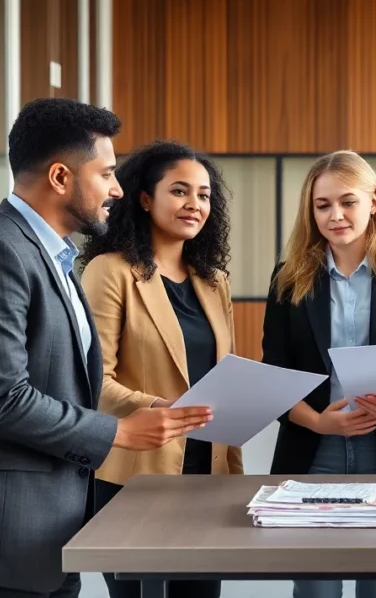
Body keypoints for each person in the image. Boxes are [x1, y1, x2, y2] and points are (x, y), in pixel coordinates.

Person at [0, 99, 214, 598]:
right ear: (61, 176)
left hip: (50, 531)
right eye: (105, 173)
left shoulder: (54, 257)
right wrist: (120, 431)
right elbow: (0, 402)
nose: (117, 189)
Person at [262, 150, 376, 598]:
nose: (335, 215)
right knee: (315, 587)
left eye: (348, 202)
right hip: (313, 449)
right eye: (322, 205)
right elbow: (274, 373)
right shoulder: (288, 279)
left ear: (373, 202)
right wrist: (318, 421)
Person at [79, 140, 242, 598]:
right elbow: (92, 382)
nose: (195, 204)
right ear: (145, 199)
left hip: (208, 477)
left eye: (204, 195)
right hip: (136, 476)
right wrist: (158, 407)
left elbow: (224, 376)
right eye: (180, 191)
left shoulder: (214, 282)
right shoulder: (109, 271)